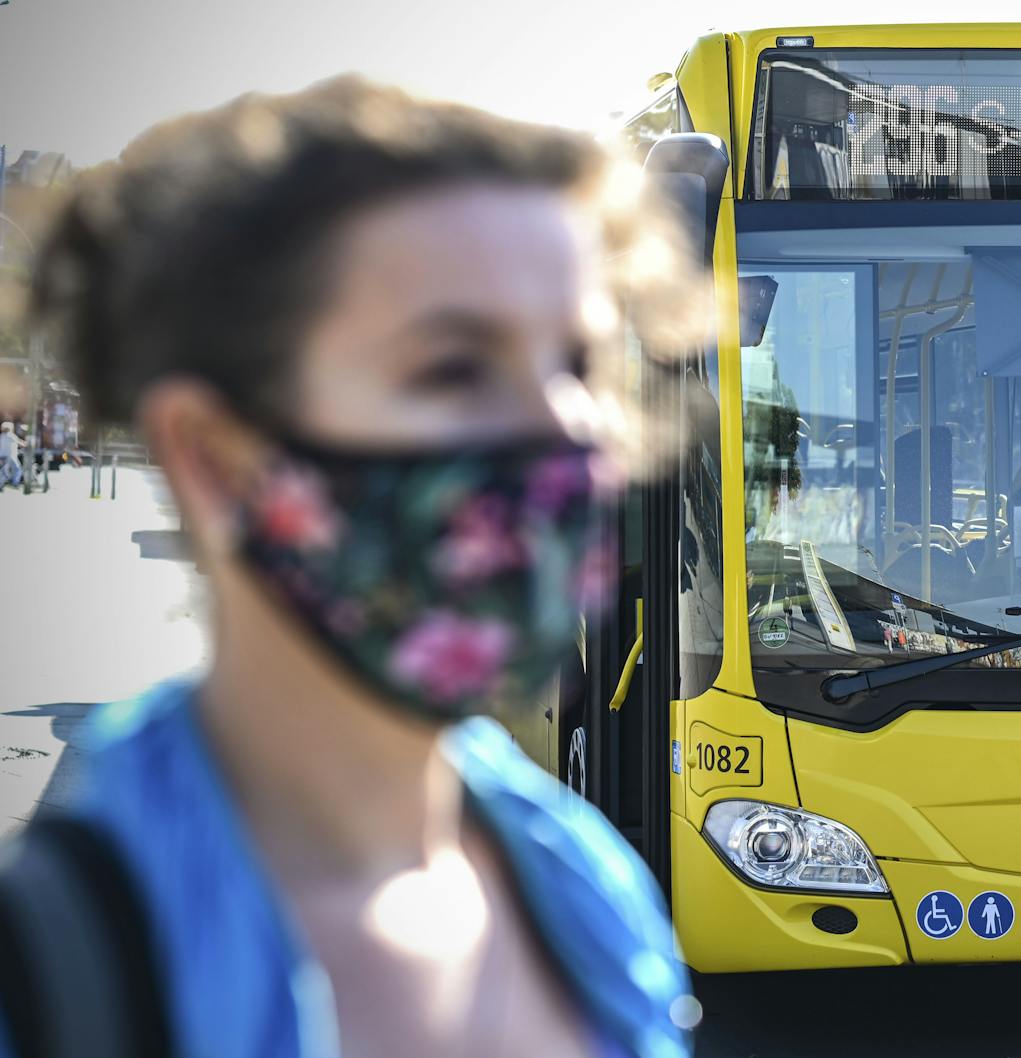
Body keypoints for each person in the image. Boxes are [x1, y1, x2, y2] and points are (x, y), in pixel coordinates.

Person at [1, 79, 691, 1057]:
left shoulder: (585, 884)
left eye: (579, 364)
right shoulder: (53, 965)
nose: (568, 430)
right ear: (212, 456)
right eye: (453, 367)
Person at [0, 422, 21, 490]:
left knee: (4, 471)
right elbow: (20, 442)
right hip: (10, 456)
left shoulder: (2, 435)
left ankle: (1, 484)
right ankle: (15, 483)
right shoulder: (11, 435)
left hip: (2, 456)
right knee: (17, 469)